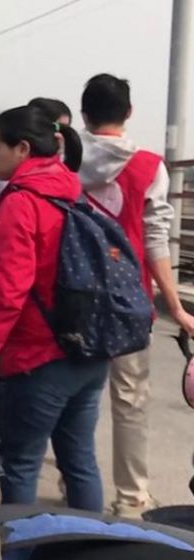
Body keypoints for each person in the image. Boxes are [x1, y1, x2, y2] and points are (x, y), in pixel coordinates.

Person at [0, 105, 107, 512]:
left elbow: (7, 290)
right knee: (80, 462)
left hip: (38, 356)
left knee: (18, 465)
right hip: (87, 349)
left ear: (23, 149)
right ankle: (89, 545)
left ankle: (18, 548)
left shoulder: (23, 201)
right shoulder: (71, 190)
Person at [78, 73, 194, 518]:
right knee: (129, 403)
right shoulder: (149, 167)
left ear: (84, 114)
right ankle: (130, 499)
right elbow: (156, 241)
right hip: (130, 303)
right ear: (128, 113)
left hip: (73, 299)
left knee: (79, 398)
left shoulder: (67, 160)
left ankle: (77, 480)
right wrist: (176, 307)